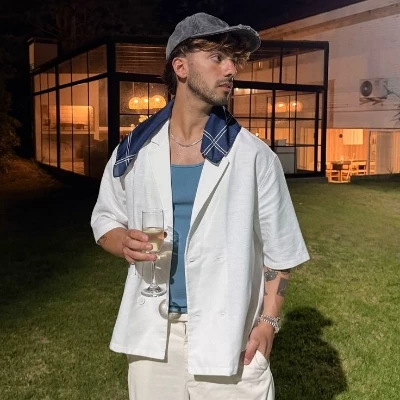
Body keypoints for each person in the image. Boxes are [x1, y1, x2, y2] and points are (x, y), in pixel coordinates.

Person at [91, 12, 309, 400]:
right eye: (217, 57)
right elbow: (105, 218)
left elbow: (281, 252)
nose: (231, 69)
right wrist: (122, 241)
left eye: (234, 60)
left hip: (232, 340)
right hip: (153, 339)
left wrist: (268, 323)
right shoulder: (133, 151)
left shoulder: (254, 157)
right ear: (181, 67)